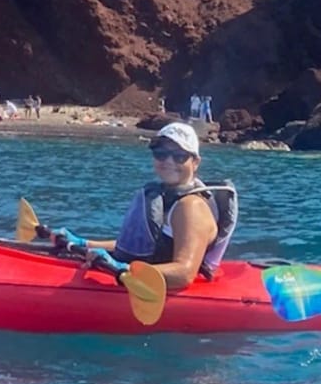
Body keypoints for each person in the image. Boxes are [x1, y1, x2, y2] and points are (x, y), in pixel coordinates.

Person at [51, 123, 238, 290]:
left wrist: (125, 269)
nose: (169, 161)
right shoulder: (171, 197)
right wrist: (85, 243)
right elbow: (145, 246)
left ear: (195, 162)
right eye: (161, 154)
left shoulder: (190, 207)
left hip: (174, 292)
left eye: (180, 156)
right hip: (148, 274)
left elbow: (184, 274)